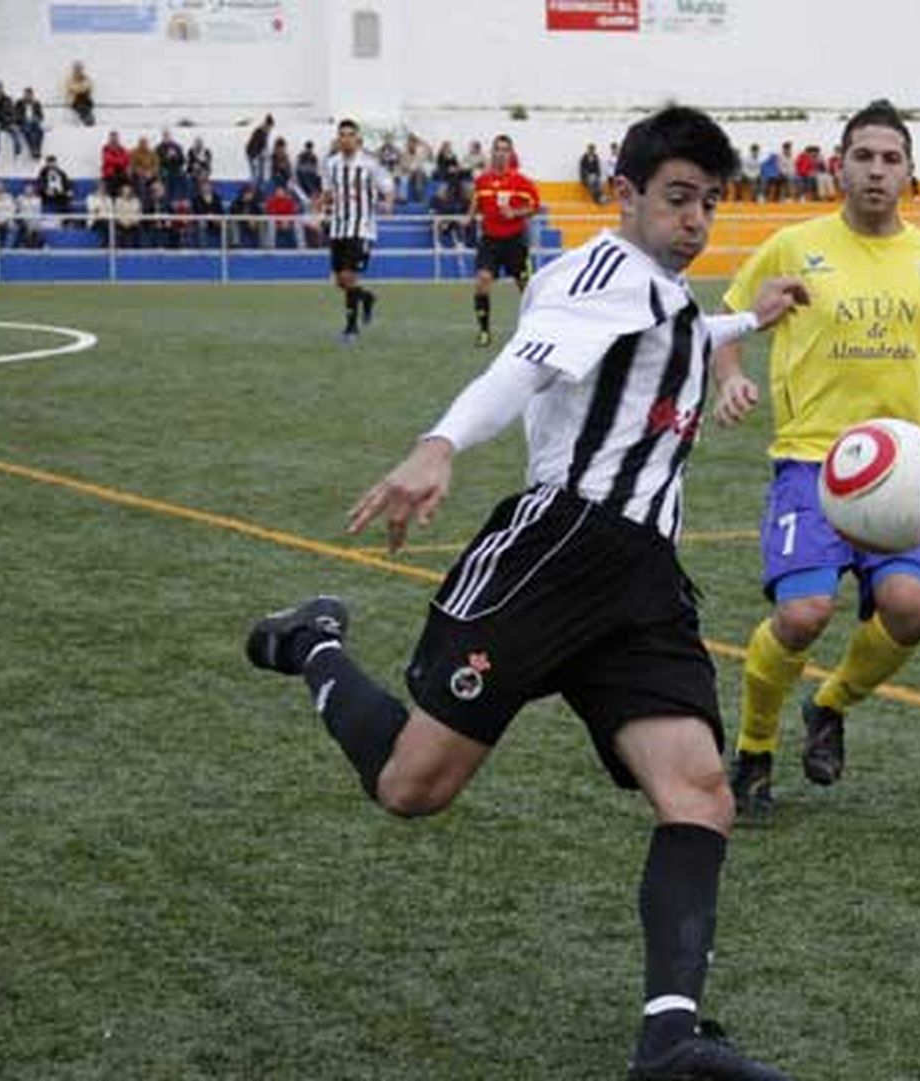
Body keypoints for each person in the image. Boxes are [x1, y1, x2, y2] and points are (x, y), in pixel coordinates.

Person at [244, 103, 803, 1081]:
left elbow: (672, 324)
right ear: (622, 194)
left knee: (699, 794)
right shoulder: (599, 272)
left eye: (710, 204)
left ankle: (669, 1038)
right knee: (412, 788)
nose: (695, 221)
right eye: (677, 199)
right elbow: (529, 358)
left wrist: (754, 315)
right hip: (558, 547)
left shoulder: (660, 296)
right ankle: (314, 644)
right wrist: (439, 445)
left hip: (643, 580)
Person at [712, 99, 920, 817]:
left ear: (910, 173)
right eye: (864, 156)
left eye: (892, 159)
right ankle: (754, 748)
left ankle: (829, 706)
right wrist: (731, 374)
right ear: (839, 166)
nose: (877, 171)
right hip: (811, 461)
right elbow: (732, 320)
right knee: (803, 614)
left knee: (914, 608)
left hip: (908, 468)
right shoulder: (793, 245)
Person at [321, 118, 392, 343]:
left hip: (362, 227)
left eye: (350, 135)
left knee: (348, 275)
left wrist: (388, 202)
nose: (346, 139)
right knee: (341, 282)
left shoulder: (369, 164)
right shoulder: (331, 164)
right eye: (342, 135)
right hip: (338, 227)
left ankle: (351, 329)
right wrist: (319, 210)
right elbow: (328, 192)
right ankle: (366, 297)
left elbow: (387, 186)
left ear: (357, 138)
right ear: (338, 139)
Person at [468, 134, 540, 347]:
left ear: (511, 154)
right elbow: (476, 203)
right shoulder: (482, 181)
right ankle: (483, 331)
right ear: (492, 153)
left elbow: (535, 206)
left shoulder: (522, 182)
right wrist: (468, 218)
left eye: (505, 149)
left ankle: (535, 331)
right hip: (490, 241)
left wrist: (516, 212)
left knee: (526, 289)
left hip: (515, 242)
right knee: (482, 281)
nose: (501, 153)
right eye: (497, 149)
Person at [15, 88, 45, 161]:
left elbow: (41, 115)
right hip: (23, 122)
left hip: (34, 122)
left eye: (30, 95)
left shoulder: (36, 103)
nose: (28, 96)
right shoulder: (19, 103)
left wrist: (37, 118)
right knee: (28, 131)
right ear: (24, 95)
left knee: (40, 132)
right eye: (27, 95)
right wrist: (23, 119)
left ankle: (38, 149)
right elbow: (16, 115)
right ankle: (33, 150)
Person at [15, 183, 46, 248]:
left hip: (34, 221)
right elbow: (17, 210)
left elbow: (37, 212)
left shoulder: (37, 200)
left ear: (33, 191)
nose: (28, 191)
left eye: (30, 189)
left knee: (37, 227)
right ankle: (25, 245)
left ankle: (40, 245)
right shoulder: (20, 198)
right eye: (26, 189)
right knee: (23, 226)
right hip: (23, 221)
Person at [65, 61, 95, 126]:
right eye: (77, 69)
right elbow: (71, 89)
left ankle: (88, 118)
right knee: (81, 104)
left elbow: (89, 87)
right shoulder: (70, 79)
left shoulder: (86, 78)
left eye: (79, 69)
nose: (78, 71)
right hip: (75, 100)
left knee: (85, 103)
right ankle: (87, 119)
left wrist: (79, 89)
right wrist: (80, 89)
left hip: (85, 99)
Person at [100, 131, 129, 195]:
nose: (114, 140)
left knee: (128, 182)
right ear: (109, 139)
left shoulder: (122, 149)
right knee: (112, 183)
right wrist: (119, 160)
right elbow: (108, 159)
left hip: (121, 172)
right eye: (112, 138)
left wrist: (118, 161)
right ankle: (113, 200)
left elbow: (126, 159)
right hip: (110, 173)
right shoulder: (106, 148)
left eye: (115, 138)